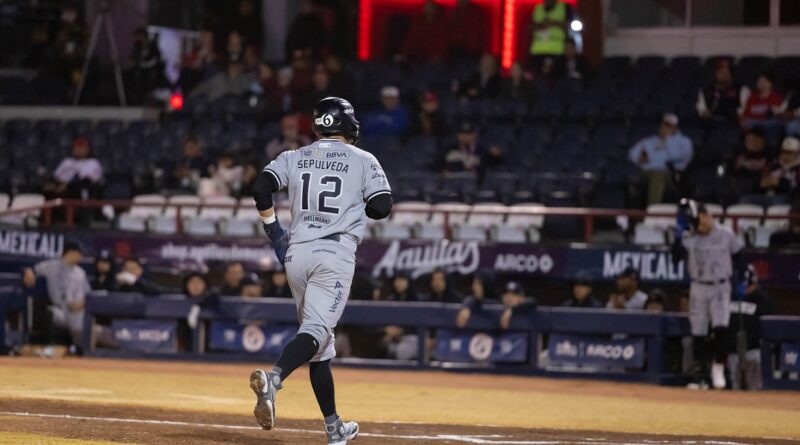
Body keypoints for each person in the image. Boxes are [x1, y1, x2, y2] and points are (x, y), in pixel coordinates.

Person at [249, 96, 393, 442]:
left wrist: (274, 232)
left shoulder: (295, 155)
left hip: (295, 254)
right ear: (347, 122)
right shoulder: (362, 159)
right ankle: (275, 379)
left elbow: (261, 188)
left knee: (320, 346)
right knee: (316, 330)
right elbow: (382, 205)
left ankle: (335, 428)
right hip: (334, 253)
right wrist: (357, 206)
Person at [671, 199, 744, 390]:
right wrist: (678, 237)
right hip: (698, 286)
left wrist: (741, 279)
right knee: (698, 332)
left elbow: (739, 256)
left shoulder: (726, 234)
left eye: (702, 222)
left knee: (721, 328)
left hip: (720, 285)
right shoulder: (690, 235)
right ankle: (700, 374)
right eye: (697, 224)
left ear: (708, 216)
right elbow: (675, 258)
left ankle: (718, 367)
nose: (701, 227)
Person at [22, 242, 91, 346]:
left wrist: (82, 303)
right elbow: (32, 269)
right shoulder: (51, 266)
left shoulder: (80, 273)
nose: (81, 256)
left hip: (78, 310)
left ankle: (82, 349)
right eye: (79, 253)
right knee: (53, 313)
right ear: (71, 253)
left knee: (81, 321)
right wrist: (27, 271)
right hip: (60, 310)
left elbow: (89, 296)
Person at [628, 113, 694, 205]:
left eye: (669, 126)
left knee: (658, 175)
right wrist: (639, 159)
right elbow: (632, 153)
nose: (664, 128)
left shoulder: (683, 141)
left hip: (671, 175)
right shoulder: (650, 141)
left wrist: (668, 139)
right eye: (664, 124)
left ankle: (653, 212)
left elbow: (678, 157)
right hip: (646, 172)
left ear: (676, 128)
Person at [727, 264, 773, 390]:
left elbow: (769, 326)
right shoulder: (728, 297)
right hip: (732, 351)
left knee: (754, 388)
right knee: (733, 388)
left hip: (753, 350)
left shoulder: (762, 299)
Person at [529, 0, 572, 75]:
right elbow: (529, 26)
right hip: (538, 51)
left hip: (557, 51)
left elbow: (569, 25)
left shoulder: (564, 7)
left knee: (556, 79)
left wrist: (553, 23)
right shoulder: (538, 8)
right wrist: (540, 25)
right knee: (539, 79)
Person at [731, 127, 771, 196]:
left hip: (758, 192)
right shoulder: (738, 154)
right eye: (749, 140)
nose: (751, 143)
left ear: (762, 142)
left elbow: (766, 180)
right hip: (737, 189)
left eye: (755, 141)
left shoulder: (769, 156)